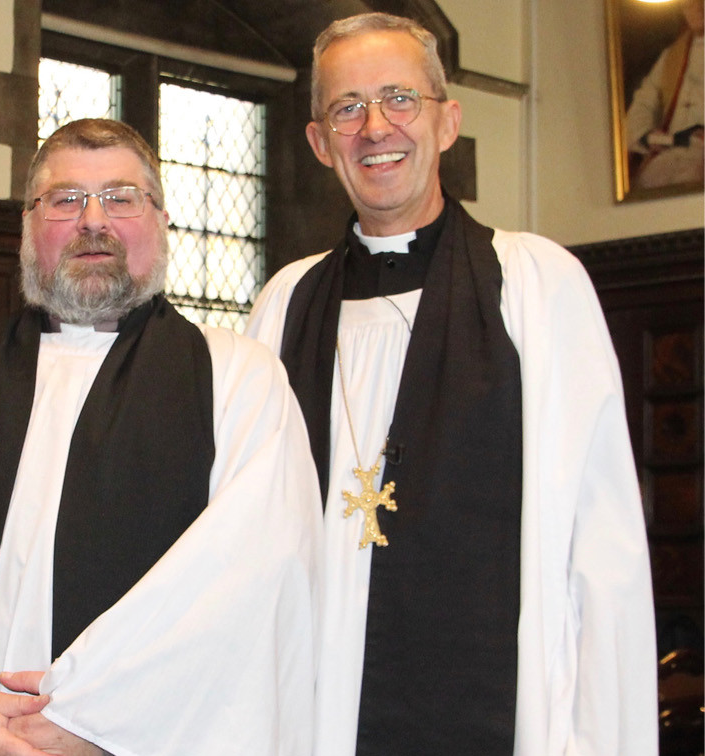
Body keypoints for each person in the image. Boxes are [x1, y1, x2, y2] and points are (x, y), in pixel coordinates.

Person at [0, 118, 320, 756]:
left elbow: (250, 578)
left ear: (161, 221)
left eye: (121, 198)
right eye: (65, 201)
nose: (94, 220)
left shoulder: (238, 379)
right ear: (28, 228)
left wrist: (96, 717)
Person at [245, 13, 657, 756]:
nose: (375, 127)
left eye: (400, 98)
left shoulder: (535, 286)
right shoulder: (284, 305)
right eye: (347, 108)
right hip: (311, 715)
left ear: (447, 124)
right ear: (317, 142)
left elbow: (604, 554)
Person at [625, 0, 703, 189]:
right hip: (670, 151)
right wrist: (648, 136)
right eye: (689, 3)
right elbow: (642, 104)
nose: (695, 8)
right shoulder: (672, 56)